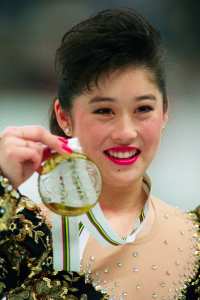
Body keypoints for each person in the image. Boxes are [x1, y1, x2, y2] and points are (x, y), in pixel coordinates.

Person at [0, 8, 199, 300]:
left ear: (165, 112)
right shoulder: (18, 233)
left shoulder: (195, 237)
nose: (126, 132)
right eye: (104, 111)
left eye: (143, 109)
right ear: (64, 117)